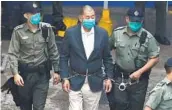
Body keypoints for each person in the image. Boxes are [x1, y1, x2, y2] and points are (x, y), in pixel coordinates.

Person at [8, 2, 60, 110]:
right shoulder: (18, 31)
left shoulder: (47, 29)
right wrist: (15, 74)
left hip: (42, 76)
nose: (37, 15)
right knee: (25, 107)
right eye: (33, 13)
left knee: (39, 107)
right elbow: (12, 54)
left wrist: (57, 71)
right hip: (24, 77)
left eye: (38, 13)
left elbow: (53, 50)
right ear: (26, 15)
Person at [60, 5, 114, 110]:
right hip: (75, 79)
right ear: (81, 18)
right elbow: (64, 56)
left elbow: (107, 58)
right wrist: (64, 77)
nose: (91, 19)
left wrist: (109, 78)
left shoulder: (102, 34)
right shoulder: (71, 33)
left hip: (94, 81)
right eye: (87, 17)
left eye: (93, 17)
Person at [108, 8, 160, 110]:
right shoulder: (117, 33)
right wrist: (108, 73)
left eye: (138, 21)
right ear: (127, 19)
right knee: (118, 106)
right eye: (133, 20)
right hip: (120, 78)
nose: (135, 23)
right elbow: (106, 51)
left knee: (136, 107)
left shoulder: (148, 37)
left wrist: (140, 72)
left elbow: (154, 58)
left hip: (139, 82)